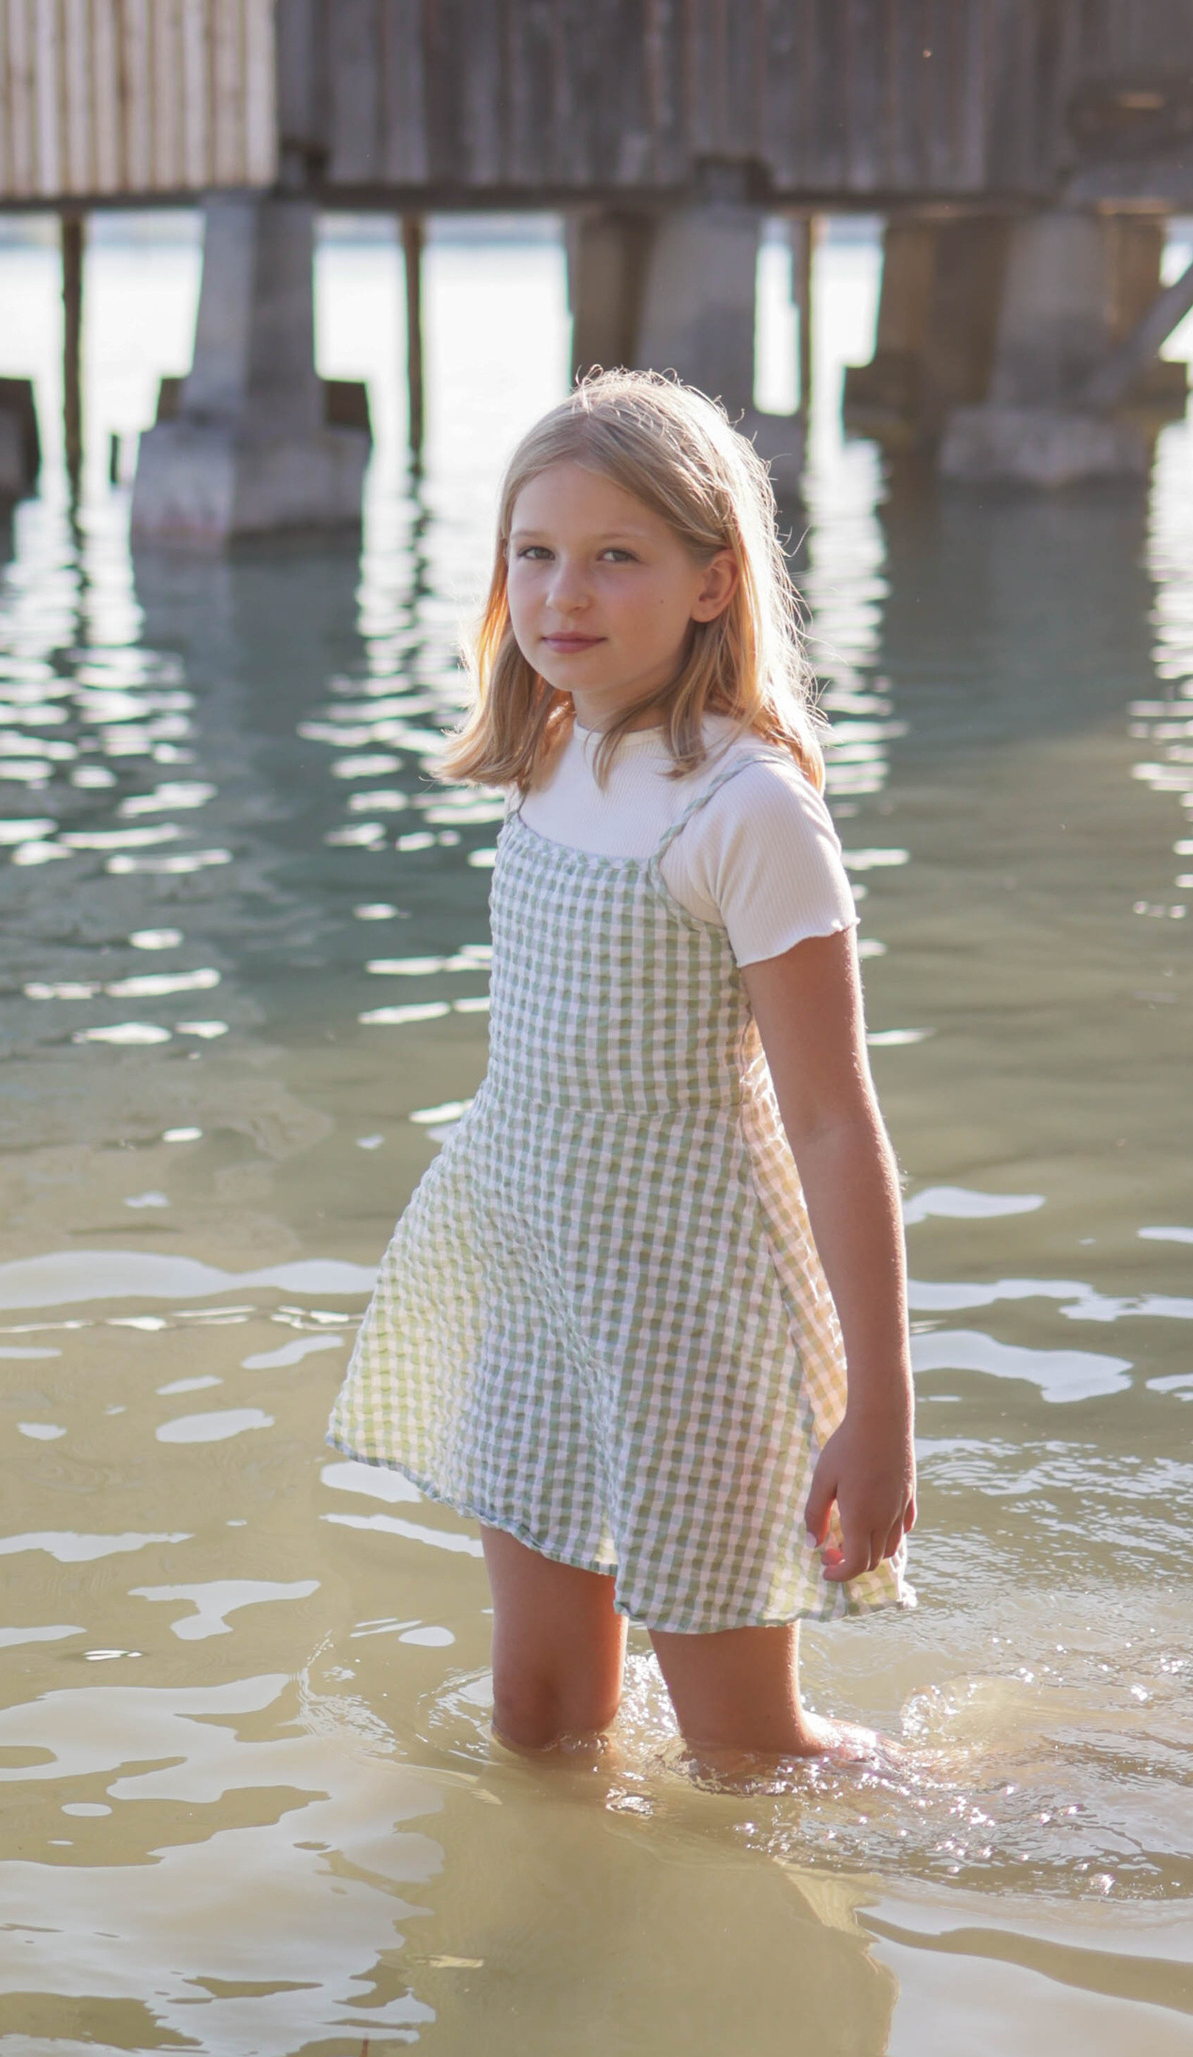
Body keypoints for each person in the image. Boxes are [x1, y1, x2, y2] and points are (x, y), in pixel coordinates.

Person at [329, 370, 916, 1765]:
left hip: (685, 1302)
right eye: (534, 553)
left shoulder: (748, 809)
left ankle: (987, 1816)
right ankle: (559, 1908)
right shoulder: (552, 746)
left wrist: (880, 1406)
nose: (562, 595)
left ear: (713, 583)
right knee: (536, 1718)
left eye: (614, 558)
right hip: (536, 1274)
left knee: (745, 1755)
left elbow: (833, 1122)